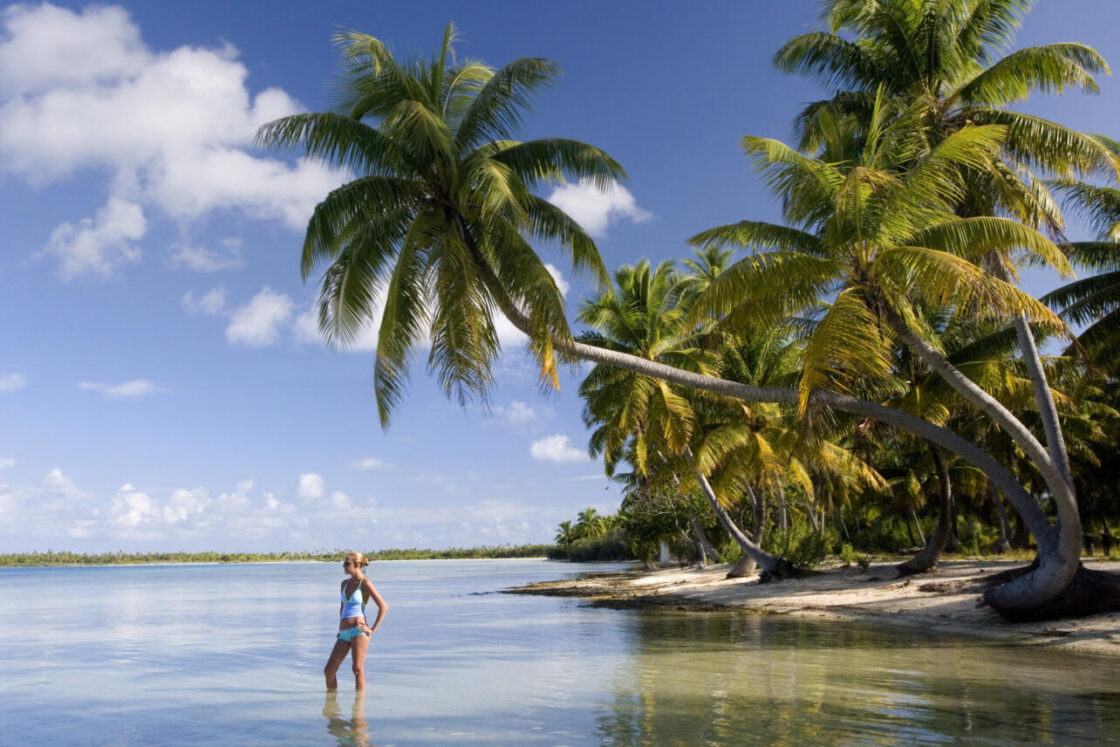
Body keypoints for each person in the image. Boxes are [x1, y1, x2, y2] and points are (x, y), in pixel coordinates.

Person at [324, 551, 387, 690]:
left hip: (358, 631)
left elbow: (383, 606)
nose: (344, 566)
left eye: (347, 563)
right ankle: (331, 708)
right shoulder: (344, 584)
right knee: (329, 670)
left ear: (357, 565)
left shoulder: (365, 583)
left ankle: (358, 709)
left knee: (357, 670)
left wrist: (372, 629)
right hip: (344, 632)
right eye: (343, 563)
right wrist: (341, 629)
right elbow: (342, 609)